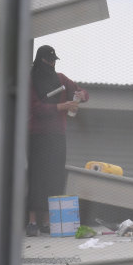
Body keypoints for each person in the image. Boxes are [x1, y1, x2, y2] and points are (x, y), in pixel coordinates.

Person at [26, 45, 88, 236]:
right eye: (48, 60)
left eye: (54, 60)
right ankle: (32, 222)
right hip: (37, 135)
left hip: (57, 136)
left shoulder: (61, 79)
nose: (52, 64)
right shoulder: (31, 81)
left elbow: (83, 93)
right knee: (36, 178)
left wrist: (79, 97)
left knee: (54, 178)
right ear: (41, 60)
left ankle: (47, 221)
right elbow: (35, 108)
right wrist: (61, 106)